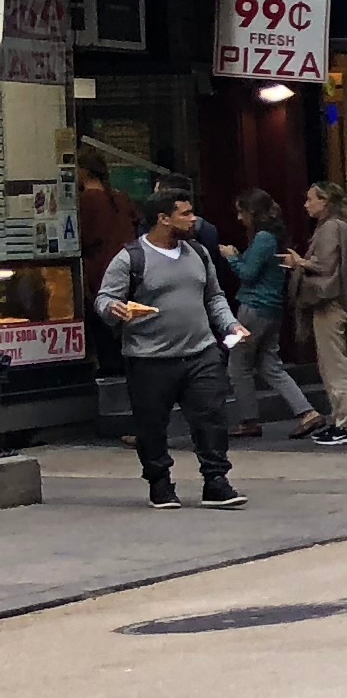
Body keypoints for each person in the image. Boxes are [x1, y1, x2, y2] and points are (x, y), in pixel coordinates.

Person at [93, 190, 247, 509]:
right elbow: (104, 298)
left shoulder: (199, 253)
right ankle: (160, 483)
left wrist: (230, 325)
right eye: (186, 214)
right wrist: (114, 309)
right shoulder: (131, 257)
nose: (194, 220)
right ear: (164, 219)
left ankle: (216, 481)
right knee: (151, 426)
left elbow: (214, 297)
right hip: (149, 358)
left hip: (201, 352)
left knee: (211, 419)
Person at [223, 189, 334, 444]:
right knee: (269, 364)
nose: (239, 218)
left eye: (241, 212)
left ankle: (249, 420)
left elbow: (248, 274)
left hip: (254, 307)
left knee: (238, 364)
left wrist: (232, 258)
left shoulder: (262, 238)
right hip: (272, 308)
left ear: (253, 212)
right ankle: (307, 412)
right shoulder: (274, 236)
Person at [290, 183, 347, 443]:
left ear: (325, 201)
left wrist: (299, 263)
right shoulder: (340, 227)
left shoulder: (331, 228)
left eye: (311, 199)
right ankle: (341, 420)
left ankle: (345, 424)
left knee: (334, 366)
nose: (306, 204)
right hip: (338, 303)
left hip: (330, 304)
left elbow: (324, 265)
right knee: (333, 364)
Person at [75, 146, 138, 384]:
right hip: (128, 269)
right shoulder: (120, 199)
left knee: (103, 322)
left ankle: (111, 368)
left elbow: (83, 240)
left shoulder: (87, 201)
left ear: (82, 172)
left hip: (100, 270)